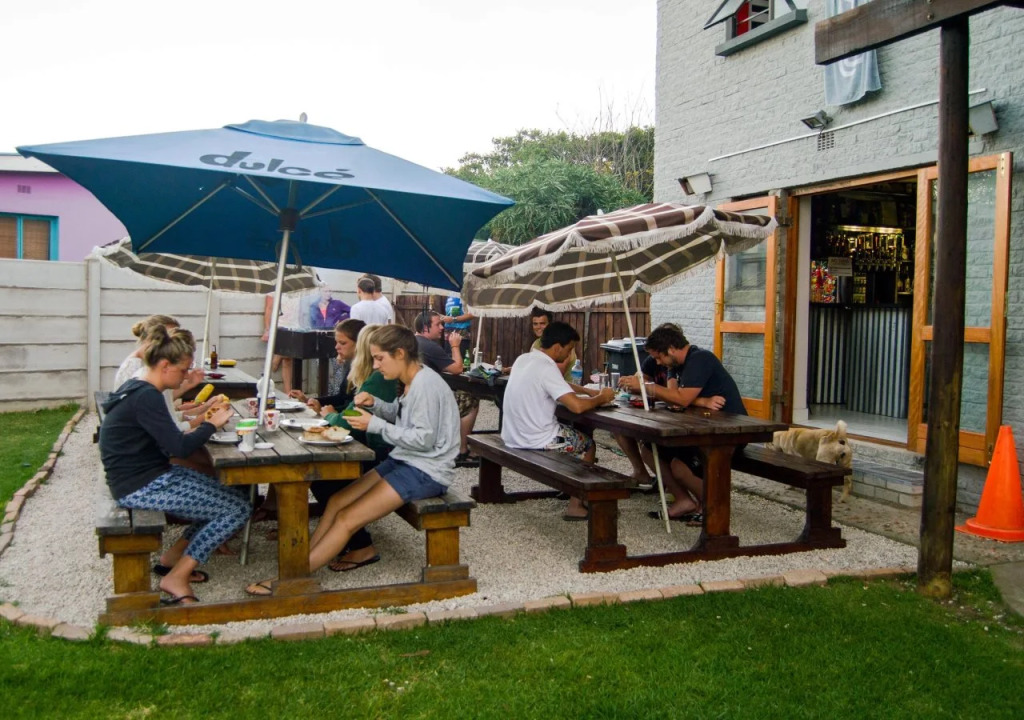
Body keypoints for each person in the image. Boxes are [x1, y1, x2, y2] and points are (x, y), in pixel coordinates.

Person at [245, 324, 457, 595]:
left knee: (348, 518)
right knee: (337, 501)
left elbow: (424, 439)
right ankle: (300, 561)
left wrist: (374, 424)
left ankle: (290, 580)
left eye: (379, 358)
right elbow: (402, 415)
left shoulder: (426, 385)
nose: (376, 365)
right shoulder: (413, 378)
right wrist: (376, 405)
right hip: (406, 460)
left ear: (400, 353)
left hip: (426, 471)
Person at [99, 325, 250, 605]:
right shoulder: (147, 396)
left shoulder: (140, 388)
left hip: (147, 474)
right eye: (183, 370)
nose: (185, 375)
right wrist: (210, 424)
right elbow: (178, 447)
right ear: (165, 365)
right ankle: (176, 577)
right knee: (237, 509)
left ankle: (172, 558)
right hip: (141, 485)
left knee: (232, 494)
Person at [618, 322, 746, 522]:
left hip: (728, 432)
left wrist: (648, 387)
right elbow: (675, 397)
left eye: (659, 357)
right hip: (703, 427)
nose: (658, 363)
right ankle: (683, 500)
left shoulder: (700, 359)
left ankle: (712, 508)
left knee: (679, 467)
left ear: (671, 349)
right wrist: (700, 401)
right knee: (650, 450)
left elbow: (681, 399)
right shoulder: (676, 365)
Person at [502, 321, 616, 520]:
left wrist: (588, 391)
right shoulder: (547, 367)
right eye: (569, 349)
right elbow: (577, 407)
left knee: (573, 435)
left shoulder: (524, 359)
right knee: (588, 445)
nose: (570, 354)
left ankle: (571, 487)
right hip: (536, 440)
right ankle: (575, 505)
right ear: (557, 347)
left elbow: (560, 385)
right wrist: (601, 398)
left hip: (512, 436)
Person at [316, 323, 400, 571]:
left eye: (343, 342)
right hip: (381, 450)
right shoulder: (372, 376)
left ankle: (360, 544)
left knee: (325, 477)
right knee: (324, 473)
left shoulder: (376, 378)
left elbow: (348, 422)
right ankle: (333, 538)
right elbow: (350, 409)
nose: (337, 347)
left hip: (382, 454)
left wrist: (328, 416)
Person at [414, 310, 479, 466]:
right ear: (425, 328)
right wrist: (455, 346)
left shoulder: (413, 342)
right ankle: (461, 450)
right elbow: (457, 368)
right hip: (429, 400)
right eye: (438, 325)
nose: (442, 328)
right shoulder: (430, 346)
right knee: (470, 400)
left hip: (415, 395)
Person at [289, 318, 366, 413]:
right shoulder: (352, 364)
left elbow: (355, 409)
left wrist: (327, 412)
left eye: (342, 343)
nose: (336, 347)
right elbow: (342, 398)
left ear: (359, 344)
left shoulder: (368, 371)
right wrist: (309, 401)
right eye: (336, 342)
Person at [261, 290, 303, 394]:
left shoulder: (298, 289)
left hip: (295, 326)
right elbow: (269, 308)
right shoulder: (274, 290)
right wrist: (267, 329)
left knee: (288, 360)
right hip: (280, 326)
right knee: (285, 359)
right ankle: (278, 356)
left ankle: (287, 392)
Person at [528, 307, 576, 381]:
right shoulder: (536, 344)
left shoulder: (562, 343)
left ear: (550, 325)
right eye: (535, 324)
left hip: (565, 384)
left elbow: (557, 373)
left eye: (542, 323)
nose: (538, 327)